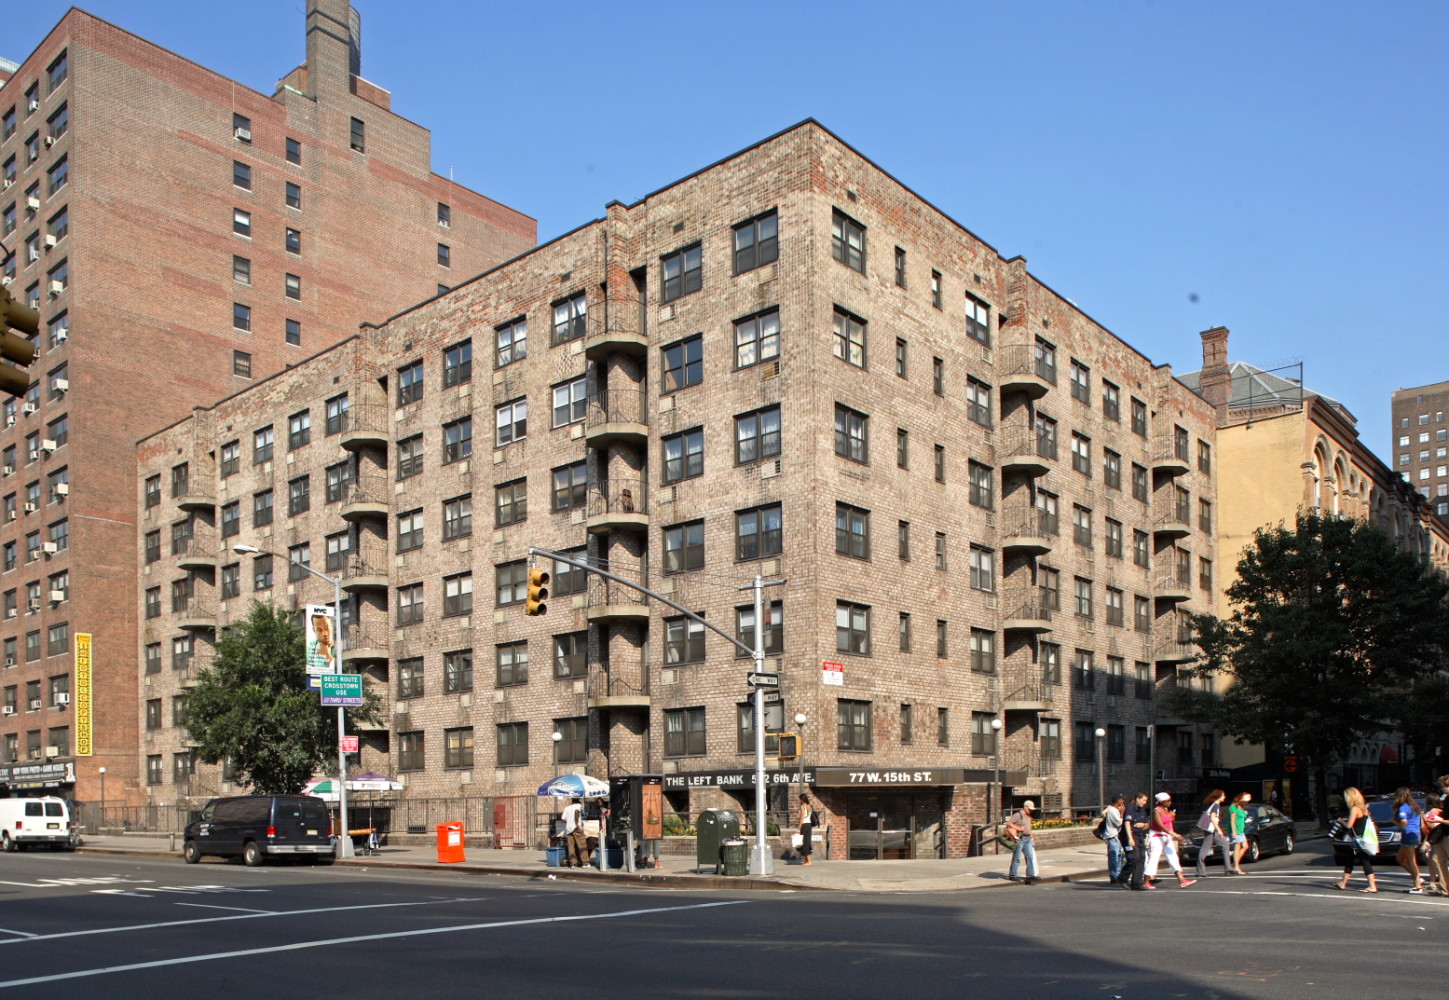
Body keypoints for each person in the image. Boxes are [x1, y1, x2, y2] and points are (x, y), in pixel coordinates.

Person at [1144, 792, 1195, 888]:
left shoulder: (1167, 810)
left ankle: (1182, 880)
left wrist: (1172, 817)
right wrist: (1174, 834)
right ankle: (1146, 881)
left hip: (1166, 837)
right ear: (1161, 802)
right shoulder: (1156, 811)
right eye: (1167, 801)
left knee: (1173, 857)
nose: (1170, 802)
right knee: (1154, 858)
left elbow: (1169, 823)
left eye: (1170, 800)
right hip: (1157, 836)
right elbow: (1160, 825)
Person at [1334, 786, 1378, 892]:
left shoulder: (1354, 809)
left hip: (1358, 840)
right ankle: (1343, 883)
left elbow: (1349, 825)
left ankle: (1372, 886)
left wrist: (1341, 821)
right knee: (1351, 860)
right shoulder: (1364, 808)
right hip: (1361, 839)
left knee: (1364, 861)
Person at [1392, 786, 1427, 893]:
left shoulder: (1403, 808)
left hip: (1408, 834)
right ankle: (1417, 877)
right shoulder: (1415, 806)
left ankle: (1417, 884)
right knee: (1400, 858)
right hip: (1416, 833)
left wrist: (1396, 822)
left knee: (1411, 860)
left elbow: (1404, 824)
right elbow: (1421, 824)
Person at [1195, 789, 1228, 878]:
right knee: (1204, 849)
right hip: (1210, 830)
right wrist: (1219, 830)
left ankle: (1228, 868)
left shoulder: (1214, 805)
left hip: (1211, 830)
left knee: (1225, 844)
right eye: (1223, 795)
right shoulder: (1215, 806)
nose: (1224, 797)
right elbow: (1213, 819)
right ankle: (1200, 871)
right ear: (1219, 796)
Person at [1122, 791, 1152, 889]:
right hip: (1130, 835)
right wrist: (1130, 838)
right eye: (1143, 800)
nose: (1145, 802)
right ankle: (1122, 878)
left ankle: (1137, 883)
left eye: (1146, 801)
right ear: (1138, 799)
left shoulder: (1142, 810)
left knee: (1141, 858)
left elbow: (1147, 824)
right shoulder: (1130, 808)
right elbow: (1127, 823)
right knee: (1134, 858)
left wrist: (1143, 825)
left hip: (1139, 836)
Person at [1004, 800, 1038, 883]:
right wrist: (1018, 828)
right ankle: (1013, 875)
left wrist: (1031, 835)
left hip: (1028, 838)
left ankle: (1031, 875)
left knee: (1030, 857)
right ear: (1025, 807)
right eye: (1029, 809)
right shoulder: (1018, 815)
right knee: (1017, 857)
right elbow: (1008, 823)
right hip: (1020, 839)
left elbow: (1028, 827)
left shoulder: (1028, 816)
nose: (1030, 811)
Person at [1101, 795, 1126, 886]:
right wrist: (1122, 813)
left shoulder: (1115, 810)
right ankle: (1114, 876)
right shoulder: (1112, 811)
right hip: (1112, 837)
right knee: (1114, 857)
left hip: (1117, 837)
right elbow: (1119, 823)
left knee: (1121, 856)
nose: (1123, 801)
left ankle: (1119, 875)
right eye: (1122, 799)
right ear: (1118, 801)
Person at [1227, 792, 1251, 875]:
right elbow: (1232, 820)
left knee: (1245, 846)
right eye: (1245, 800)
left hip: (1241, 830)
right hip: (1235, 830)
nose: (1246, 802)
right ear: (1240, 798)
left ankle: (1234, 864)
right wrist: (1234, 832)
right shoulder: (1233, 807)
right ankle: (1236, 867)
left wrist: (1245, 814)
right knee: (1237, 847)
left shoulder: (1242, 807)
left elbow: (1241, 818)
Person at [561, 798, 588, 869]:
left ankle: (573, 864)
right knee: (582, 845)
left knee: (571, 847)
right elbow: (576, 812)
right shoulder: (578, 805)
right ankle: (585, 863)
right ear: (578, 800)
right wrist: (576, 824)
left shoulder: (567, 808)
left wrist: (569, 821)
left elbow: (563, 819)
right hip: (576, 828)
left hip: (569, 829)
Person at [798, 794, 815, 866]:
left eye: (799, 799)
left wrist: (799, 828)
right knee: (807, 842)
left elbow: (802, 817)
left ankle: (810, 861)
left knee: (805, 843)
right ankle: (806, 861)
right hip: (809, 825)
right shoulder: (810, 805)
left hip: (804, 825)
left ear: (802, 799)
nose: (799, 800)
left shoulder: (802, 806)